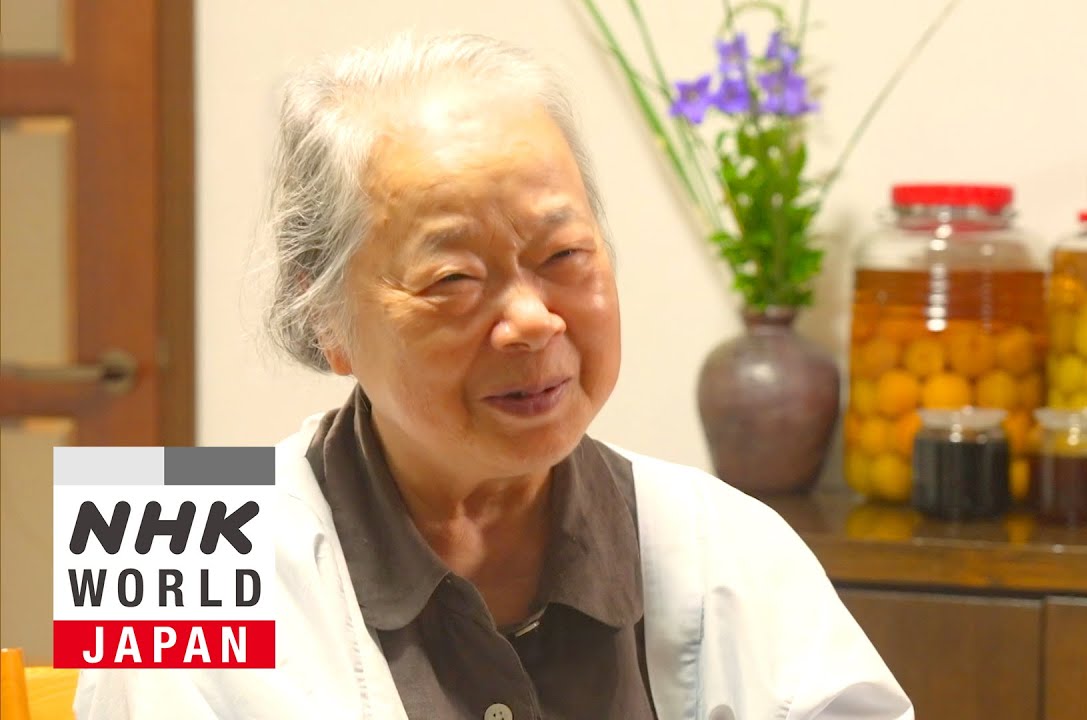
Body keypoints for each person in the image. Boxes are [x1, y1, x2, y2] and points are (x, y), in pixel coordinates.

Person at [74, 33, 911, 719]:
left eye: (564, 256)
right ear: (326, 319)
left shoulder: (727, 541)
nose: (533, 320)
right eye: (452, 280)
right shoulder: (163, 545)